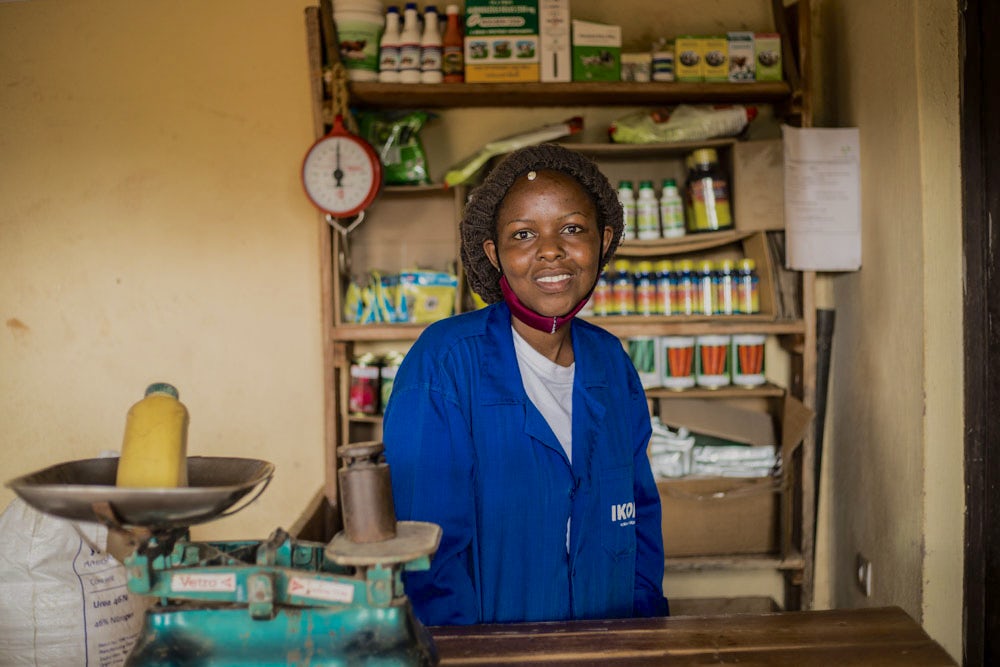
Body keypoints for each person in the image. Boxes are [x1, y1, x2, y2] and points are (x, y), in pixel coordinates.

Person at [382, 143, 669, 626]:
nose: (551, 250)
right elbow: (425, 557)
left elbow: (639, 521)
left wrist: (642, 636)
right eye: (523, 234)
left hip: (612, 645)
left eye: (573, 229)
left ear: (604, 239)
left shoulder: (611, 363)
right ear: (495, 254)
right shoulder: (445, 363)